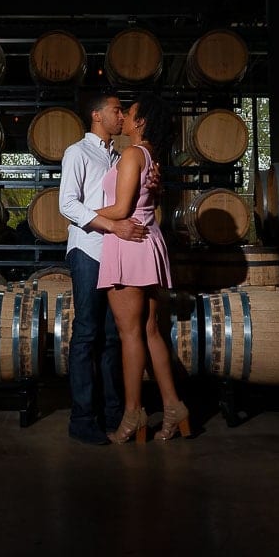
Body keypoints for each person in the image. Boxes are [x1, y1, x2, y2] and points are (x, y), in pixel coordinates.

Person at [94, 92, 190, 443]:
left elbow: (120, 210)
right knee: (150, 332)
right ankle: (173, 406)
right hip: (148, 242)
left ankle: (133, 412)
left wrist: (82, 214)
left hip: (128, 244)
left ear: (141, 121)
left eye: (129, 113)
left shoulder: (133, 154)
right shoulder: (150, 155)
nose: (124, 117)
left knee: (130, 334)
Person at [58, 91, 152, 446]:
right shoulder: (77, 152)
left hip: (118, 253)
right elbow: (66, 204)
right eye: (116, 110)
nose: (121, 114)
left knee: (114, 338)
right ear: (97, 115)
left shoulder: (119, 155)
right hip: (88, 251)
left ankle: (116, 414)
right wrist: (111, 226)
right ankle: (82, 419)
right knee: (86, 335)